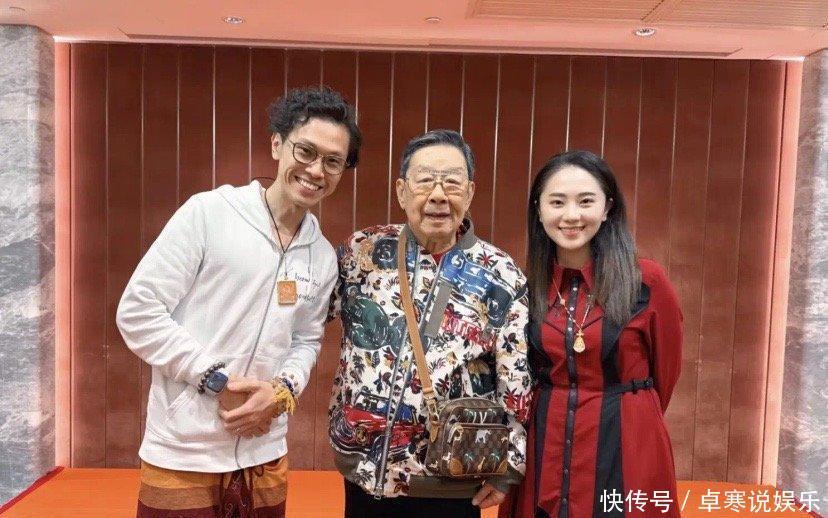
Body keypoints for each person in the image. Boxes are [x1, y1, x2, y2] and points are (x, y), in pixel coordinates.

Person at [116, 86, 361, 517]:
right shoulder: (210, 213)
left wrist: (281, 391)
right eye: (305, 151)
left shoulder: (322, 256)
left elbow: (306, 340)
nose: (315, 170)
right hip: (183, 450)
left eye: (332, 161)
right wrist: (214, 379)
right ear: (277, 145)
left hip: (264, 451)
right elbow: (139, 310)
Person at [328, 129, 533, 518]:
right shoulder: (363, 252)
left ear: (469, 193)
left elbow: (517, 379)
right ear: (402, 191)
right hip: (365, 469)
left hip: (453, 475)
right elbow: (306, 317)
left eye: (452, 182)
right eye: (425, 181)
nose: (439, 194)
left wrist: (510, 466)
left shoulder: (501, 274)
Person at [503, 150, 683, 518]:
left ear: (607, 208)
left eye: (586, 201)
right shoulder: (527, 287)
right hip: (546, 446)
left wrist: (629, 410)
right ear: (539, 210)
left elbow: (666, 375)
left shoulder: (646, 282)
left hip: (627, 443)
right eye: (557, 202)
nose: (571, 215)